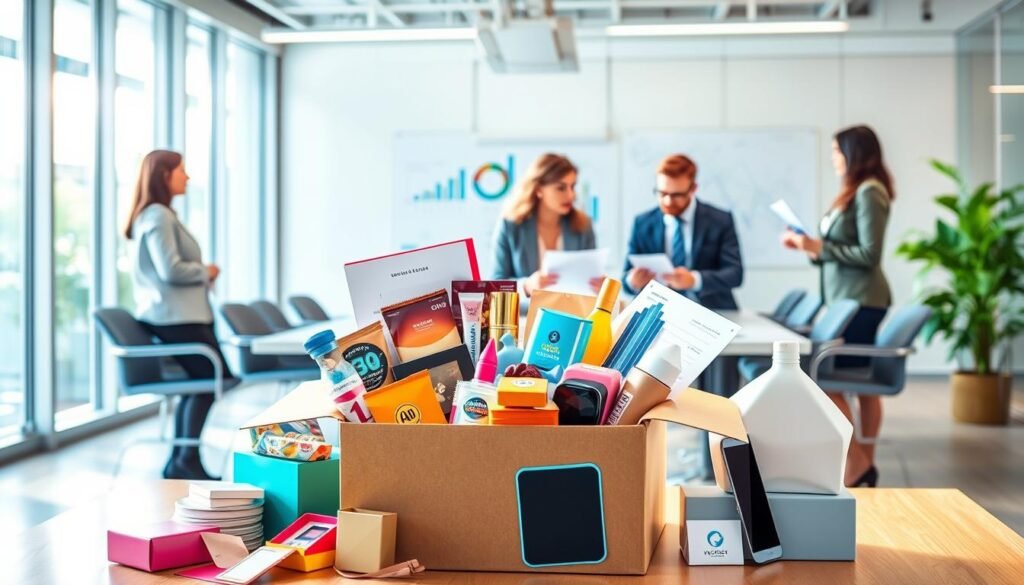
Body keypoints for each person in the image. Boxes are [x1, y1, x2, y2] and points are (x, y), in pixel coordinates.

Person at [781, 125, 894, 488]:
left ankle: (860, 462)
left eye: (836, 151)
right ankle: (861, 465)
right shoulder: (851, 193)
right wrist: (809, 248)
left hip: (862, 301)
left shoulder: (869, 192)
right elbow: (834, 252)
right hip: (846, 299)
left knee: (832, 378)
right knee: (850, 381)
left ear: (854, 153)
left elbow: (869, 254)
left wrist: (819, 248)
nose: (833, 158)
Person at [124, 149, 231, 480]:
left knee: (200, 383)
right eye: (181, 170)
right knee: (211, 379)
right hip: (176, 317)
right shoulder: (157, 216)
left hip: (183, 315)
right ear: (163, 176)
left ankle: (183, 460)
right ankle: (184, 459)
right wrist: (205, 270)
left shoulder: (158, 215)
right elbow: (170, 270)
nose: (187, 176)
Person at [621, 154, 743, 310]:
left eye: (676, 195)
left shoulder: (719, 220)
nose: (668, 201)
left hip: (710, 311)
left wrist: (694, 280)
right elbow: (625, 279)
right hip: (657, 312)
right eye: (662, 193)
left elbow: (735, 274)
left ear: (693, 189)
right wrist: (632, 280)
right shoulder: (642, 223)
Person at [491, 153, 601, 296]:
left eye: (572, 187)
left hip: (572, 313)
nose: (571, 195)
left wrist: (598, 286)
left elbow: (588, 277)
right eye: (561, 188)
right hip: (524, 315)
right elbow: (495, 284)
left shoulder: (583, 226)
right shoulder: (510, 226)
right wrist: (526, 286)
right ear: (538, 189)